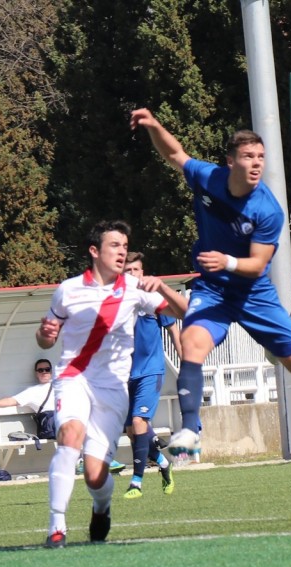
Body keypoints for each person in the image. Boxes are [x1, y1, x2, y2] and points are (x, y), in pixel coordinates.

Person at [129, 108, 291, 458]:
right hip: (213, 289)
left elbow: (259, 265)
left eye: (261, 156)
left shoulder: (267, 210)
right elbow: (174, 154)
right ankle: (188, 429)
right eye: (248, 156)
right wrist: (155, 125)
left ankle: (272, 347)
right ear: (231, 161)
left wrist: (227, 261)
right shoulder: (208, 177)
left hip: (254, 294)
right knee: (191, 342)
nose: (257, 163)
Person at [36, 220, 187, 548]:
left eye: (124, 246)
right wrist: (45, 335)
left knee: (94, 475)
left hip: (111, 388)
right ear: (94, 251)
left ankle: (101, 507)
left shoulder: (135, 291)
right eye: (115, 245)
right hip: (72, 377)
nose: (121, 252)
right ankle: (56, 527)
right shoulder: (68, 289)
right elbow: (46, 339)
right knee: (69, 436)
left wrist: (161, 287)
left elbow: (183, 310)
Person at [122, 252, 186, 499]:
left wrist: (185, 364)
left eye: (135, 270)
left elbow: (173, 330)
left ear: (142, 271)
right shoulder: (119, 301)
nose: (132, 275)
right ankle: (162, 462)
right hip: (126, 374)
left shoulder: (153, 298)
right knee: (131, 431)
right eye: (127, 271)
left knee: (139, 423)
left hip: (151, 369)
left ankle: (136, 481)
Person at [0, 358, 55, 422]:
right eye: (40, 370)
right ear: (36, 374)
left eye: (47, 369)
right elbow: (12, 401)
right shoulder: (33, 391)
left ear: (51, 372)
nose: (44, 372)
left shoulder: (62, 386)